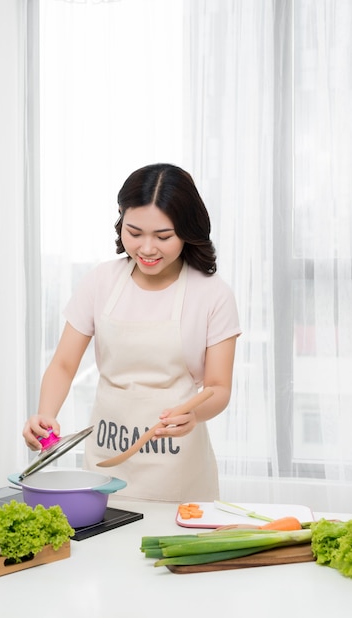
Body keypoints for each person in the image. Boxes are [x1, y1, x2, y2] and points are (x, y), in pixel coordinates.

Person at [23, 163, 241, 502]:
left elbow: (218, 386)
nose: (147, 248)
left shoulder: (213, 294)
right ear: (120, 222)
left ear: (187, 230)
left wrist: (194, 414)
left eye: (163, 236)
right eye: (134, 233)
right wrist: (45, 415)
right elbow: (64, 364)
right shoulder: (101, 282)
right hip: (105, 464)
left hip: (178, 471)